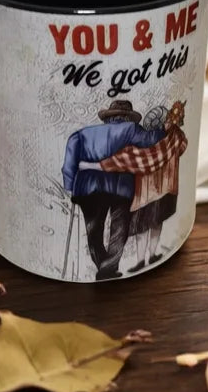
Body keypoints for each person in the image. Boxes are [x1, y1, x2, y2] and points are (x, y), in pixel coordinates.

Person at [61, 99, 164, 280]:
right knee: (120, 228)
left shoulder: (80, 135)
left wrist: (69, 186)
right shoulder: (131, 129)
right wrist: (163, 128)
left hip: (87, 187)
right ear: (127, 117)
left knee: (93, 230)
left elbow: (69, 165)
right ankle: (108, 268)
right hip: (120, 186)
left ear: (109, 117)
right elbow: (150, 140)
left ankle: (104, 267)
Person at [79, 101, 187, 273]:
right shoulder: (148, 137)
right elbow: (181, 146)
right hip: (141, 190)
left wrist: (84, 169)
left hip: (135, 191)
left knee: (140, 226)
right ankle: (128, 263)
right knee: (139, 227)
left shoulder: (97, 135)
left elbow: (124, 160)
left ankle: (134, 261)